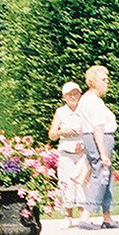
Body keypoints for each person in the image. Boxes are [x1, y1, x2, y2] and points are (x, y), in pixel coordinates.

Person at [74, 64, 119, 229]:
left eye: (107, 79)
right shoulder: (94, 101)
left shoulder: (86, 100)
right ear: (93, 82)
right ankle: (85, 217)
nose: (107, 82)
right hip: (99, 139)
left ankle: (107, 216)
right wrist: (103, 154)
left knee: (106, 176)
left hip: (92, 139)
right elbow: (97, 128)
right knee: (101, 174)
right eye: (103, 79)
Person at [48, 81, 89, 225]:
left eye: (76, 93)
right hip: (66, 152)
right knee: (66, 183)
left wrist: (84, 144)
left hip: (83, 152)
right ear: (64, 97)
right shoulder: (61, 112)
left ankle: (82, 217)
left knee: (83, 182)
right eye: (69, 94)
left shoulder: (85, 110)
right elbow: (52, 134)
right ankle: (68, 217)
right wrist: (61, 132)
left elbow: (93, 131)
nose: (73, 97)